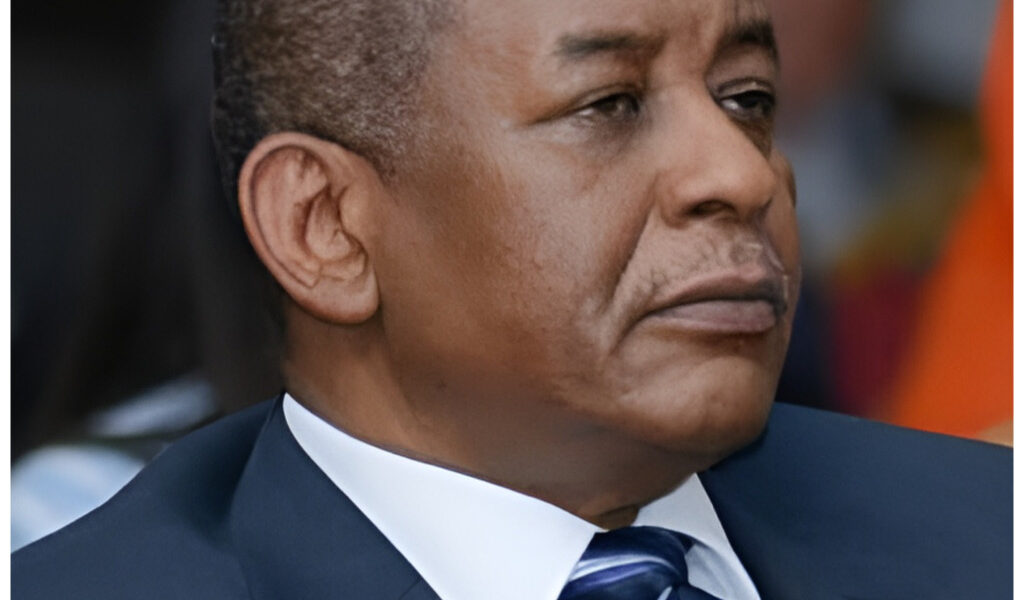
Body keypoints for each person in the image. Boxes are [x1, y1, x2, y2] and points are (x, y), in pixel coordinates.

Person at [12, 1, 1009, 599]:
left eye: (746, 98)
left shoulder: (988, 534)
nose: (744, 176)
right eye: (608, 106)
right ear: (326, 227)